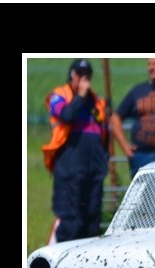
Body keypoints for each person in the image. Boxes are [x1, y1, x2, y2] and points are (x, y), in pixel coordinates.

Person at [42, 59, 108, 242]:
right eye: (80, 74)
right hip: (70, 168)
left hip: (93, 168)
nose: (84, 79)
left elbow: (104, 130)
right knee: (71, 220)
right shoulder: (60, 95)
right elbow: (66, 115)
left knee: (92, 219)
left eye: (87, 75)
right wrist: (80, 96)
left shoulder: (96, 102)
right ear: (72, 75)